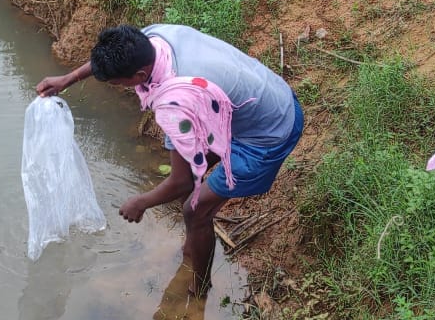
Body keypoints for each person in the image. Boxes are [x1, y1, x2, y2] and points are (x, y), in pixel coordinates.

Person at [37, 24, 304, 297]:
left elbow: (180, 182)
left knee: (194, 209)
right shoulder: (155, 37)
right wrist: (68, 79)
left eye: (117, 82)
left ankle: (199, 289)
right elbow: (108, 60)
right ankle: (195, 242)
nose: (116, 86)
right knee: (191, 188)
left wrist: (140, 203)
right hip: (270, 96)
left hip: (269, 136)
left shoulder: (175, 101)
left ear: (140, 76)